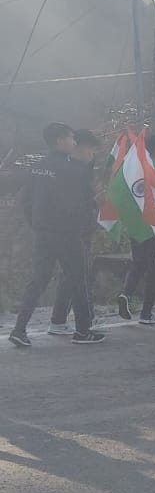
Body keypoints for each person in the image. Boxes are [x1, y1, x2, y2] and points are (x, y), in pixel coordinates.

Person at [9, 123, 104, 347]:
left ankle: (19, 329)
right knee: (78, 279)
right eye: (71, 138)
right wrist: (92, 208)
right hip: (68, 234)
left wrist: (36, 224)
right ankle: (83, 331)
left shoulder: (37, 167)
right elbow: (81, 203)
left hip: (43, 232)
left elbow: (26, 200)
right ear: (60, 140)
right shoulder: (75, 170)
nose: (74, 142)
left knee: (38, 281)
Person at [48, 129, 102, 335]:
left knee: (74, 275)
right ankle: (80, 324)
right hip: (73, 230)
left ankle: (62, 319)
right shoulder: (73, 171)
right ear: (80, 147)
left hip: (78, 228)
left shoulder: (81, 168)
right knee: (77, 275)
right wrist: (96, 199)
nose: (93, 154)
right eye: (91, 149)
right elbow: (75, 202)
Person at [117, 135, 155, 325]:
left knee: (138, 262)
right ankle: (146, 312)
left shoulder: (133, 170)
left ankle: (126, 293)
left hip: (136, 223)